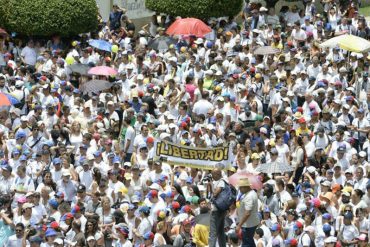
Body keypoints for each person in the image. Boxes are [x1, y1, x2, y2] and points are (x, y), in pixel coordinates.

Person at [236, 178, 259, 247]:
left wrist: (239, 225)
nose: (239, 189)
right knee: (250, 242)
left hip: (248, 225)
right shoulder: (251, 193)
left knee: (246, 244)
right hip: (250, 223)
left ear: (245, 187)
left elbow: (247, 213)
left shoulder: (249, 196)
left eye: (240, 187)